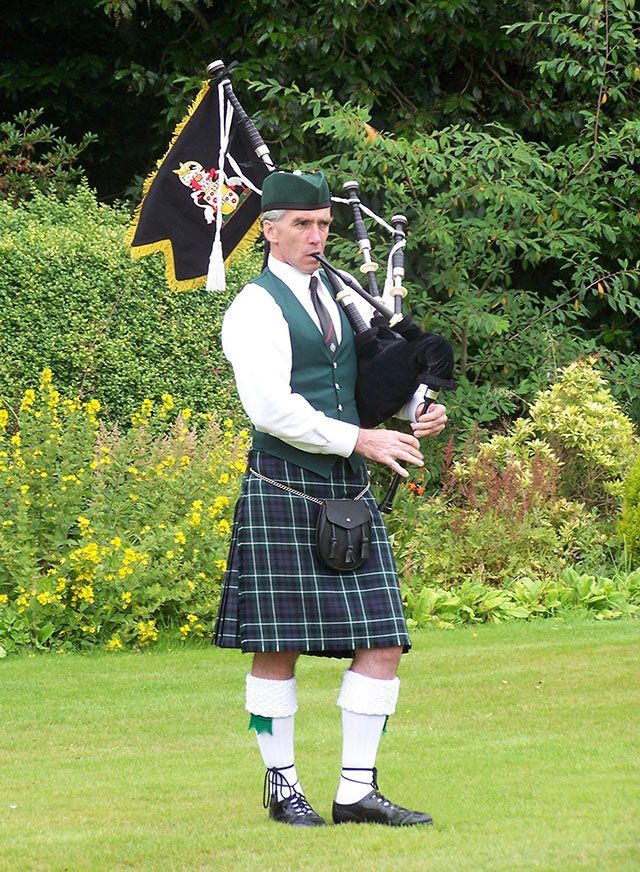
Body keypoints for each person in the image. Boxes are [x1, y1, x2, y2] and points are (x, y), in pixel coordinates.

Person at [214, 170, 448, 827]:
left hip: (344, 486)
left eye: (323, 224)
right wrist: (363, 440)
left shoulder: (340, 297)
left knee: (384, 640)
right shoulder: (254, 308)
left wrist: (417, 408)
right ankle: (282, 786)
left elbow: (367, 372)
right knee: (276, 644)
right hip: (283, 485)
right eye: (302, 225)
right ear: (269, 229)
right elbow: (272, 408)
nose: (317, 236)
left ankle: (356, 792)